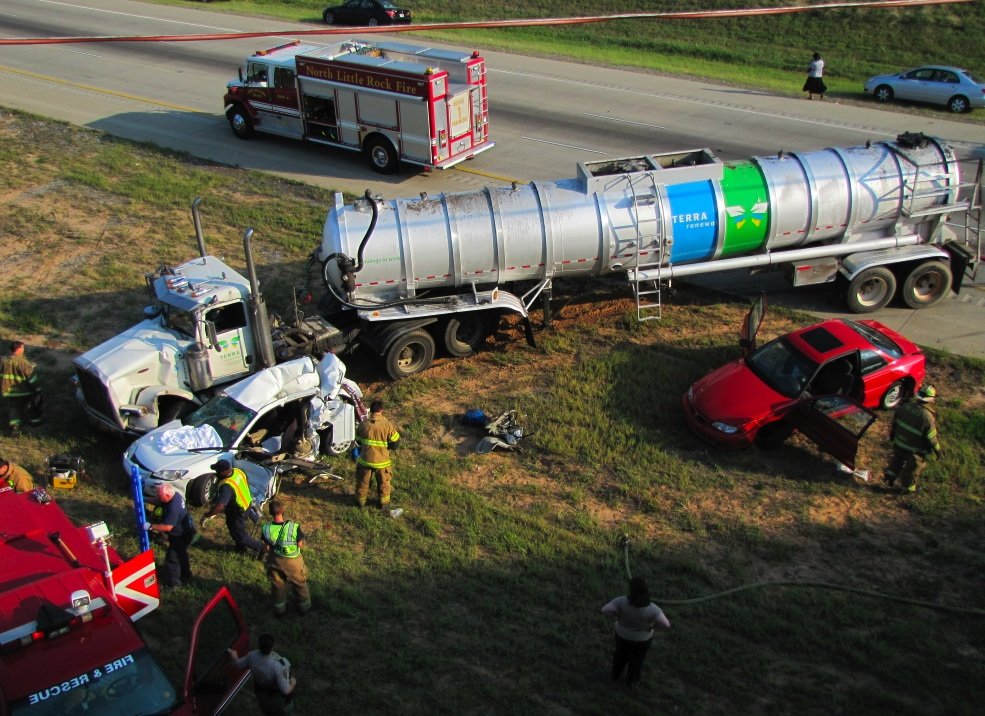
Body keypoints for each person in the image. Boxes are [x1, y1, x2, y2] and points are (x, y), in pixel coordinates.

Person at [601, 577, 671, 687]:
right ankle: (632, 681)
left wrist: (618, 615)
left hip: (622, 635)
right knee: (637, 660)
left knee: (620, 655)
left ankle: (615, 675)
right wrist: (653, 626)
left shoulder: (621, 601)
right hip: (642, 640)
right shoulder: (653, 609)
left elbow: (605, 609)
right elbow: (666, 624)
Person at [884, 383, 943, 493]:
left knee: (897, 460)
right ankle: (907, 489)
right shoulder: (927, 417)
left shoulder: (905, 406)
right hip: (914, 450)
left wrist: (893, 436)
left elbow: (895, 424)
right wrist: (938, 450)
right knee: (912, 469)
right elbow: (931, 437)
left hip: (899, 442)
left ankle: (889, 477)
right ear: (930, 399)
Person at [261, 500, 312, 616]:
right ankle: (304, 608)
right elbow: (300, 545)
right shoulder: (293, 527)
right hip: (293, 562)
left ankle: (280, 610)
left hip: (275, 561)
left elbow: (266, 548)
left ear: (270, 513)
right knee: (299, 584)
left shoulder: (266, 528)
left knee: (278, 585)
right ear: (283, 510)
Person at [204, 459, 263, 555]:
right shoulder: (238, 471)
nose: (216, 473)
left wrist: (208, 514)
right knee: (238, 530)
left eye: (217, 471)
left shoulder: (226, 486)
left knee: (239, 535)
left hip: (237, 512)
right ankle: (240, 550)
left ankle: (261, 548)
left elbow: (220, 506)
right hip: (247, 504)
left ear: (223, 472)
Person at [228, 633, 296, 715]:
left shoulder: (252, 656)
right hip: (275, 695)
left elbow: (239, 664)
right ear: (272, 647)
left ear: (259, 646)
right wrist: (293, 682)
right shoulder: (278, 665)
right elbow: (286, 690)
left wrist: (235, 656)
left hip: (261, 693)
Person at [354, 399, 400, 510]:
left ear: (371, 411)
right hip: (382, 462)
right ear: (381, 410)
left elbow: (358, 441)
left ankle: (360, 503)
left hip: (365, 459)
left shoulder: (364, 424)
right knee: (384, 484)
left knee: (363, 482)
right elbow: (395, 443)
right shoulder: (387, 425)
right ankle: (383, 504)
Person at [144, 483, 193, 588]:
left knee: (172, 559)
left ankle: (175, 584)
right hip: (185, 531)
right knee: (182, 555)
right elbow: (161, 502)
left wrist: (150, 526)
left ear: (167, 495)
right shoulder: (175, 495)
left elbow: (167, 527)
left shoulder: (173, 508)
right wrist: (145, 499)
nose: (158, 498)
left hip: (180, 535)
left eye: (160, 496)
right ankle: (186, 574)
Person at [0, 341, 42, 435]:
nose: (24, 349)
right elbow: (32, 379)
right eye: (23, 348)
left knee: (14, 408)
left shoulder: (3, 360)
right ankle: (35, 423)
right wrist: (38, 390)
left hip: (9, 391)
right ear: (18, 349)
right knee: (32, 405)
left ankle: (15, 427)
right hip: (24, 391)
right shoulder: (24, 363)